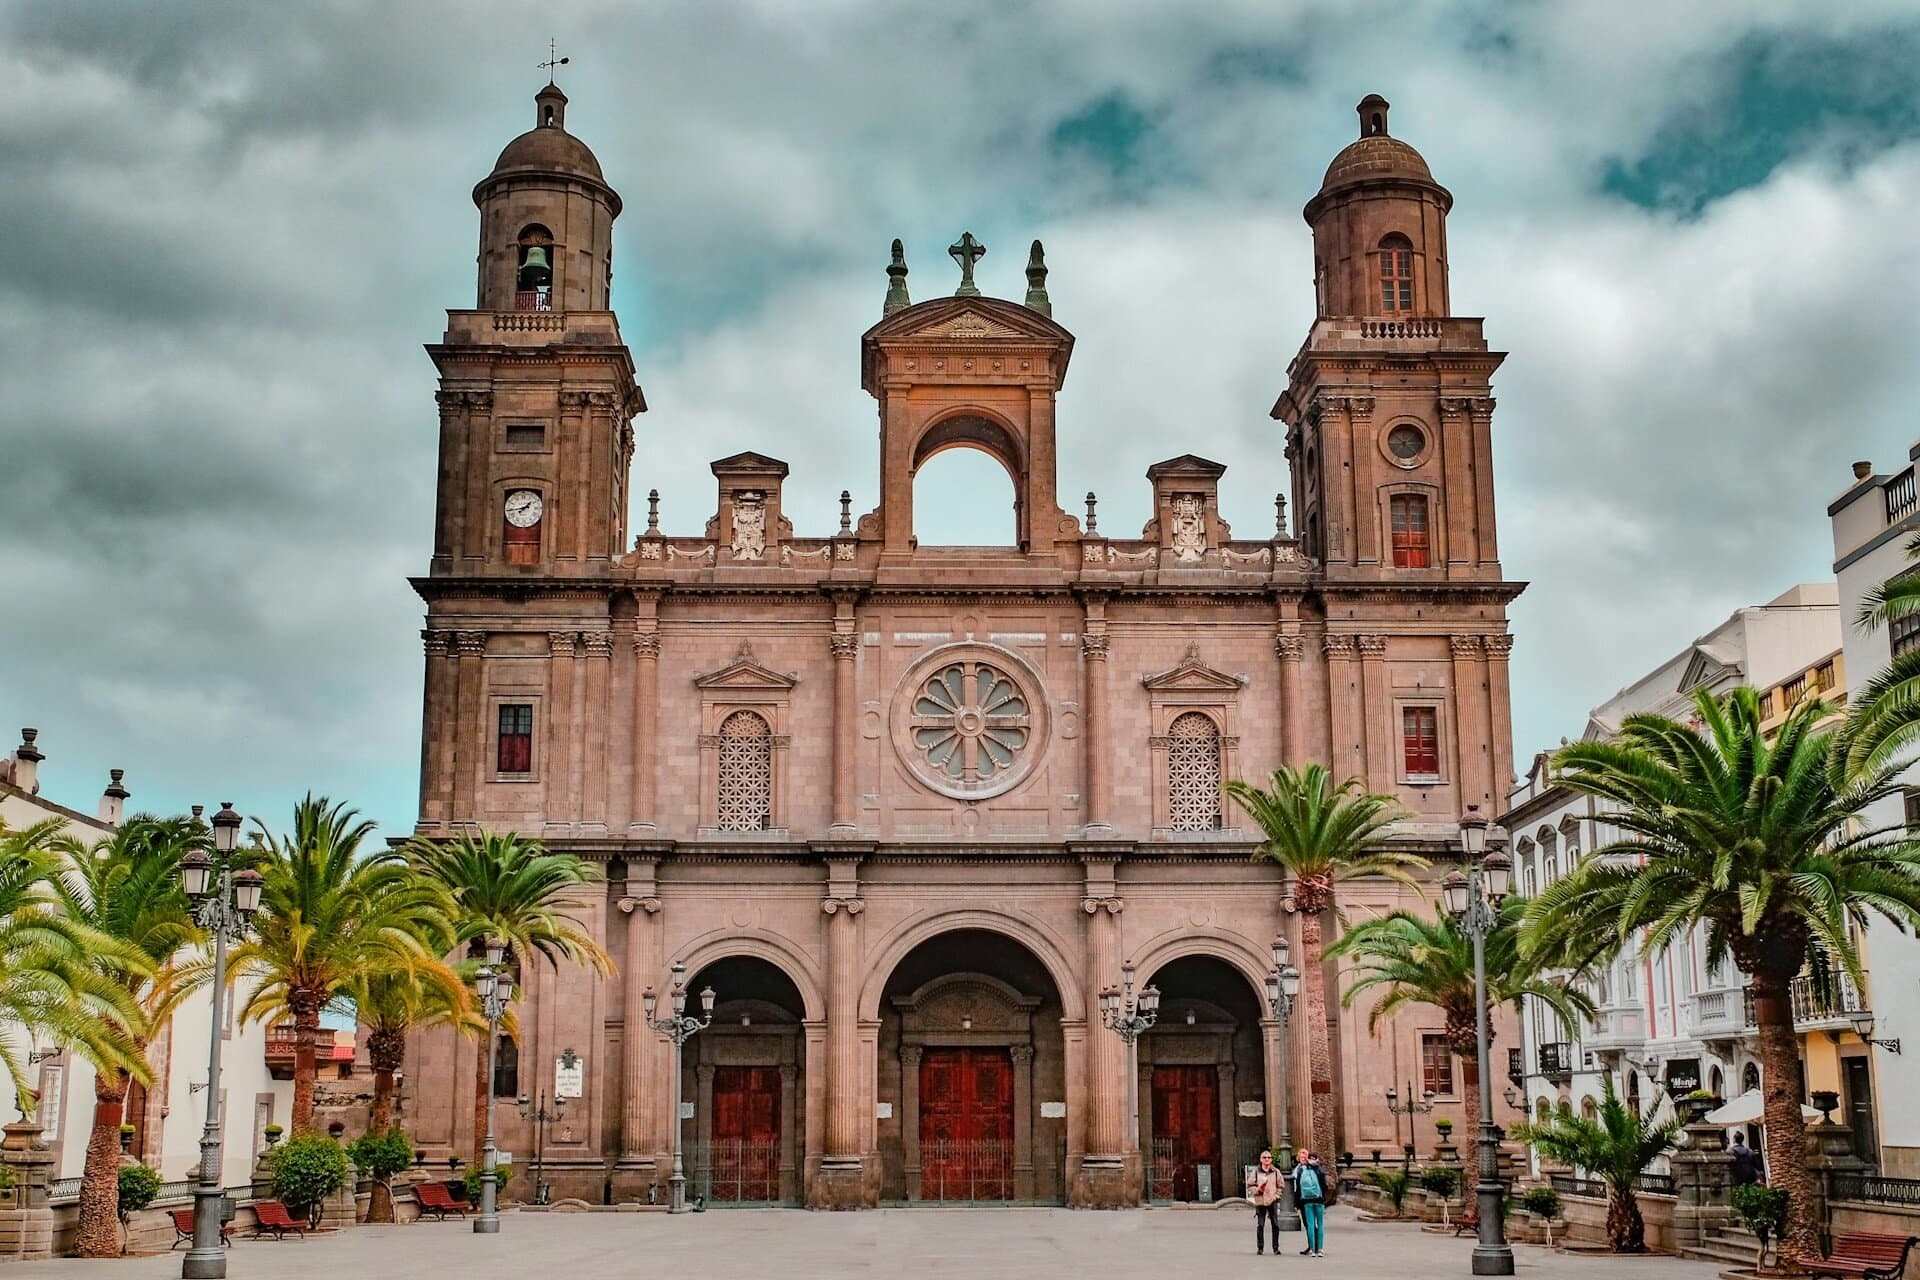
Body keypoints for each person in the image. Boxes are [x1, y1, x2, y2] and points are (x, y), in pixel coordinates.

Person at [1291, 1147, 1328, 1257]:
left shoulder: (1301, 1170)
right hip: (1318, 1199)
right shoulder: (1320, 1170)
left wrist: (1296, 1202)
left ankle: (1312, 1249)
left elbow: (1298, 1187)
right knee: (1320, 1224)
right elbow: (1325, 1186)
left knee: (1310, 1224)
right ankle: (1320, 1249)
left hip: (1306, 1200)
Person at [1247, 1149, 1285, 1255]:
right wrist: (1257, 1190)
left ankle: (1275, 1247)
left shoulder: (1276, 1172)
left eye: (1269, 1157)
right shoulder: (1256, 1172)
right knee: (1261, 1225)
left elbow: (1281, 1186)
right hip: (1260, 1201)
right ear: (1261, 1160)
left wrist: (1277, 1196)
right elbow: (1250, 1185)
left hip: (1272, 1200)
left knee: (1275, 1225)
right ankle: (1260, 1247)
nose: (1267, 1159)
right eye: (1264, 1157)